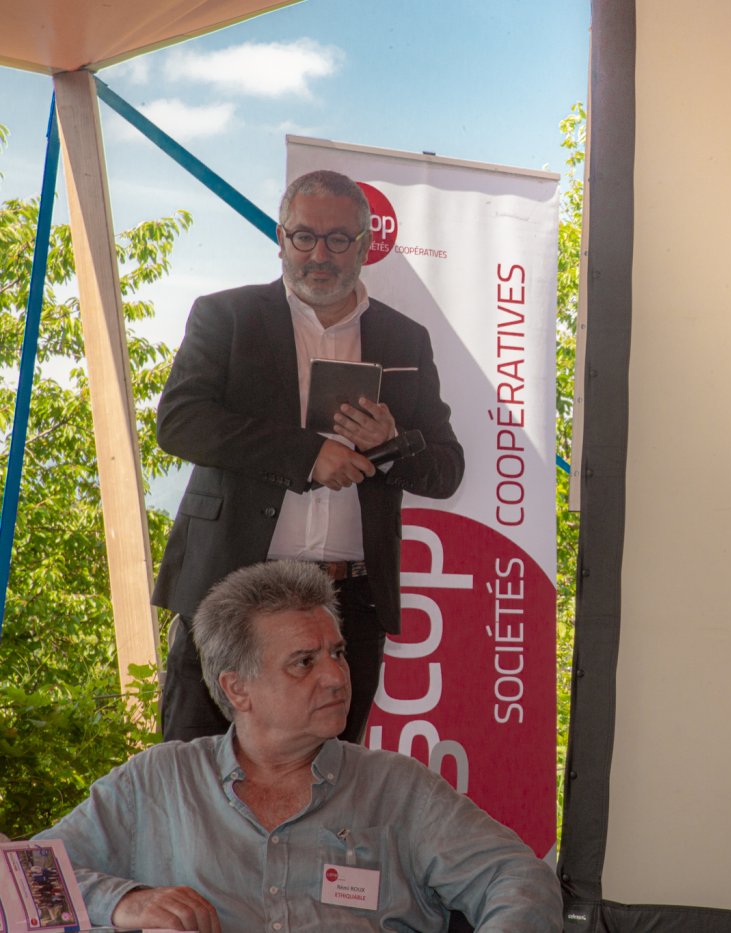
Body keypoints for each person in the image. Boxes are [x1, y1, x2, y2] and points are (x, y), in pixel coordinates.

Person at [37, 560, 562, 933]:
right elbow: (23, 877)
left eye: (338, 653)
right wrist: (126, 901)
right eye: (304, 662)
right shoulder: (159, 782)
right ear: (237, 689)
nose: (336, 676)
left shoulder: (398, 789)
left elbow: (518, 878)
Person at [153, 169, 465, 744]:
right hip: (230, 588)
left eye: (338, 239)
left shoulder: (405, 339)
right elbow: (179, 422)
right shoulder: (227, 317)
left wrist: (389, 445)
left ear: (365, 246)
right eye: (304, 236)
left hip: (350, 603)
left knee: (329, 779)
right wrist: (307, 454)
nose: (319, 254)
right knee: (194, 772)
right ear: (281, 238)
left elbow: (446, 469)